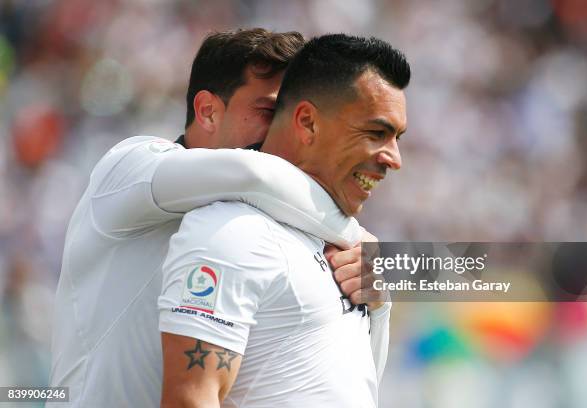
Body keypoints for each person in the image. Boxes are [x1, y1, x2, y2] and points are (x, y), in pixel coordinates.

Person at [49, 28, 367, 407]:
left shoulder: (279, 219)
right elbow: (254, 175)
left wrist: (381, 272)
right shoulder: (128, 168)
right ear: (208, 111)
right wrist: (357, 234)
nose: (285, 131)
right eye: (269, 111)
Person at [159, 33, 410, 408]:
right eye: (376, 133)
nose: (394, 158)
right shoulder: (233, 232)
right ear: (307, 122)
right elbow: (189, 399)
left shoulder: (345, 245)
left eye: (397, 138)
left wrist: (379, 306)